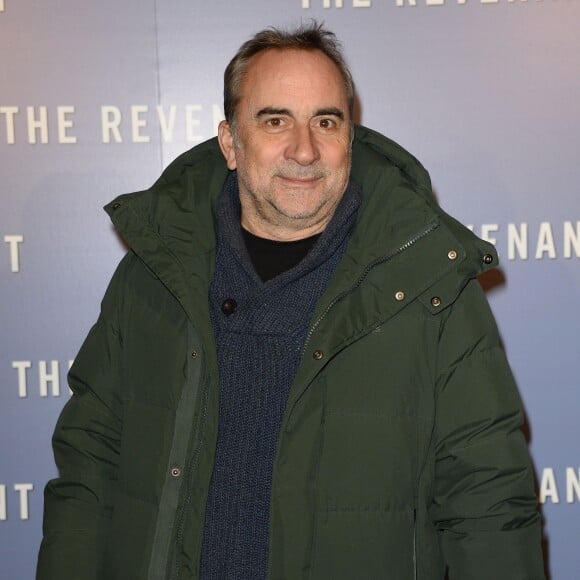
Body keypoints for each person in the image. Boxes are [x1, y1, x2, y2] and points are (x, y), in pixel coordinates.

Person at [37, 22, 544, 580]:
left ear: (349, 136)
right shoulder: (151, 280)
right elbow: (90, 470)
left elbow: (490, 503)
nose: (304, 149)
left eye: (325, 121)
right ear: (231, 142)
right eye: (275, 120)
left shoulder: (431, 289)